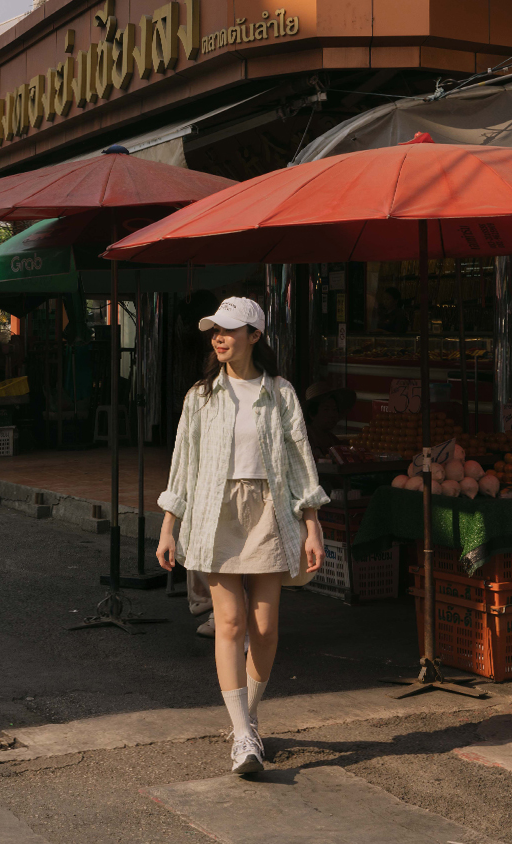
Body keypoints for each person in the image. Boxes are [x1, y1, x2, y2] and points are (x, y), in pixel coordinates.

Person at [156, 297, 328, 776]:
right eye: (215, 330)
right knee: (229, 623)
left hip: (269, 510)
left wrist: (312, 524)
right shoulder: (200, 396)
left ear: (255, 335)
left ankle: (247, 719)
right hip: (216, 511)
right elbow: (183, 463)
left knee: (265, 628)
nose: (219, 338)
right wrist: (169, 525)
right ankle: (244, 737)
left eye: (229, 330)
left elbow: (300, 459)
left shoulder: (280, 392)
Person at [304, 382, 357, 460]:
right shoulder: (305, 438)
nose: (332, 414)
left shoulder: (331, 438)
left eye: (334, 409)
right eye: (326, 409)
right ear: (312, 414)